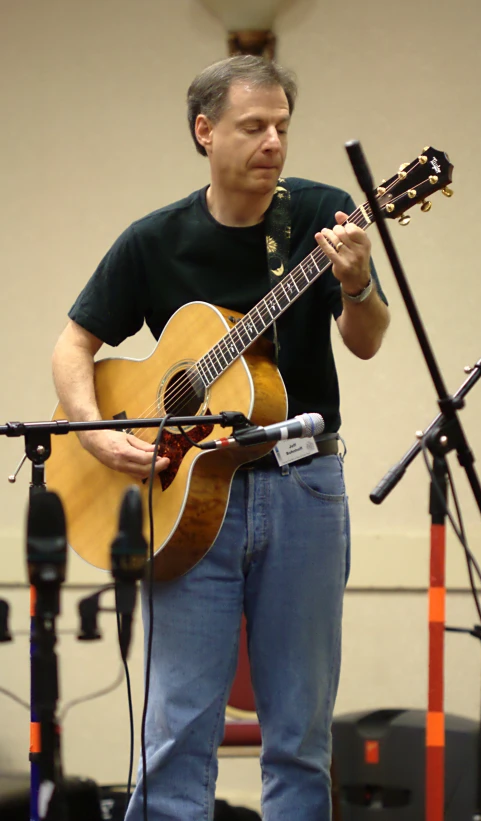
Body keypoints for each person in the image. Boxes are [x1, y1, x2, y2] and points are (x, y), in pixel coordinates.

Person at [52, 56, 389, 821]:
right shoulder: (156, 239)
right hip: (188, 503)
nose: (272, 142)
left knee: (300, 734)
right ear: (204, 132)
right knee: (178, 730)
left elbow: (365, 341)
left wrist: (357, 283)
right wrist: (98, 432)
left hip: (303, 485)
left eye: (281, 127)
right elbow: (72, 344)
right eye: (252, 127)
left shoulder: (322, 215)